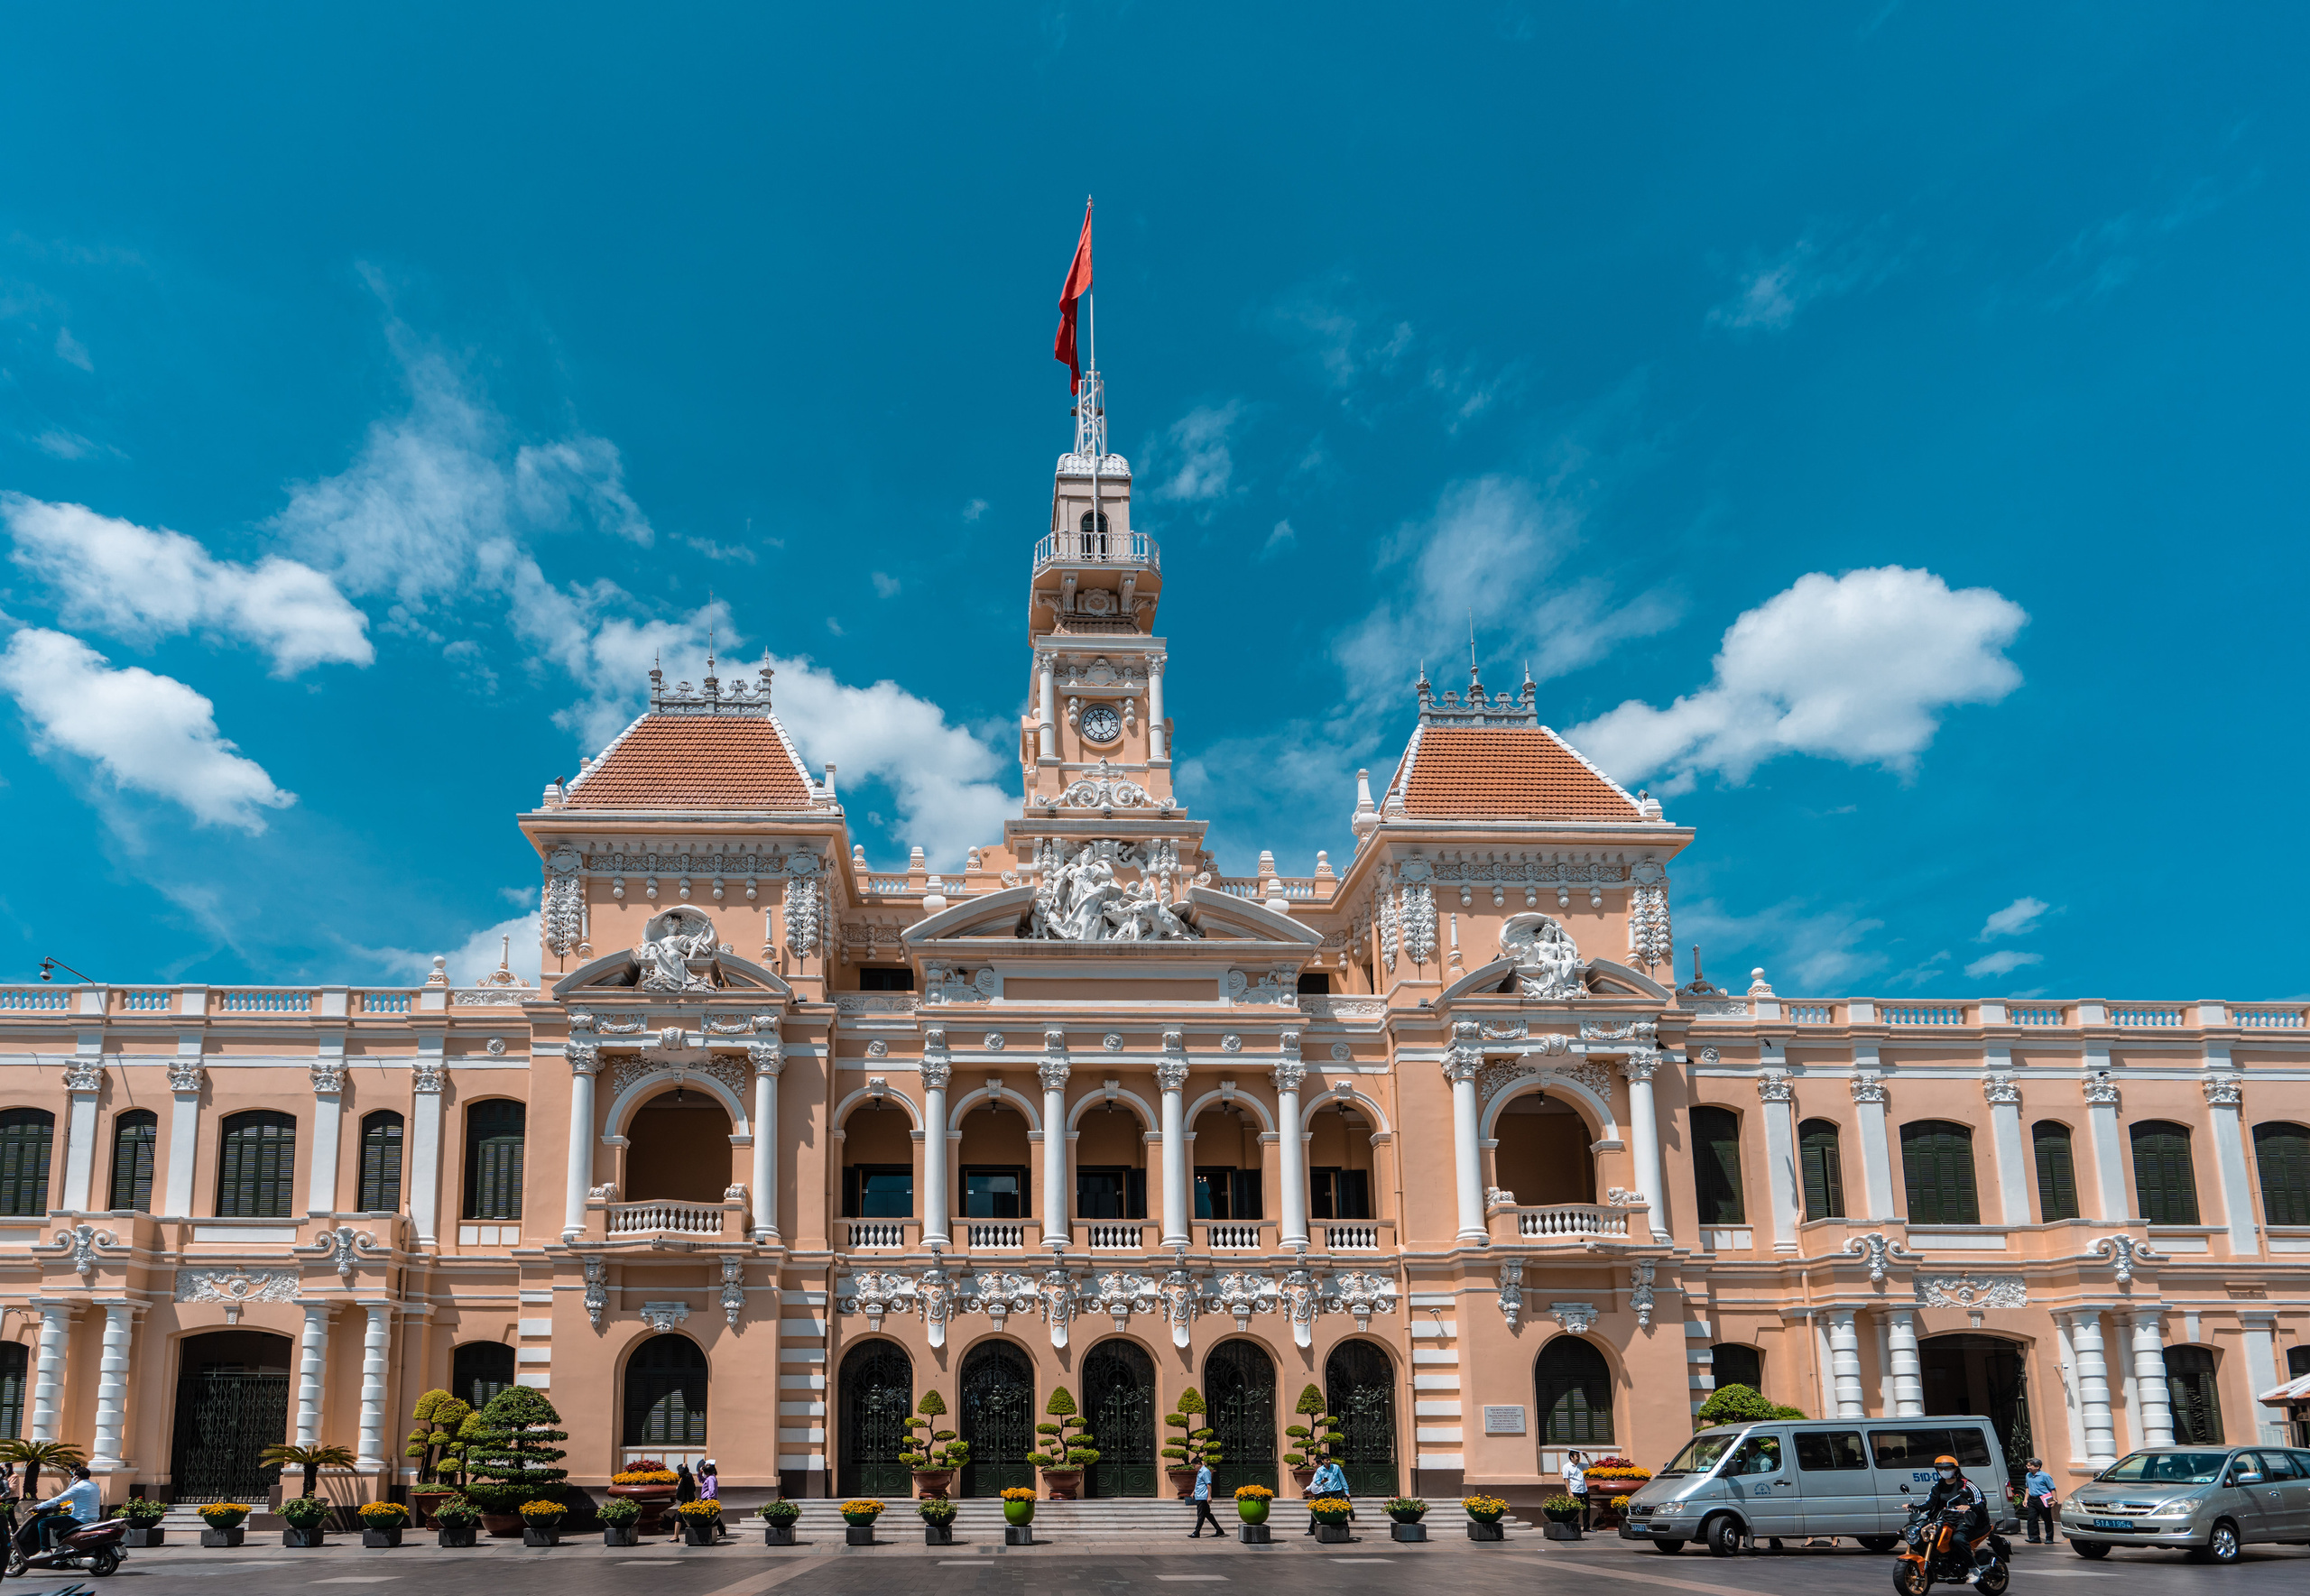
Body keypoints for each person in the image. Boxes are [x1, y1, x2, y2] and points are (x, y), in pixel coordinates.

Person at [21, 1464, 98, 1559]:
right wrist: (67, 1507)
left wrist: (37, 1506)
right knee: (61, 1533)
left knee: (43, 1523)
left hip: (79, 1518)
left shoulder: (78, 1487)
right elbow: (86, 1501)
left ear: (77, 1477)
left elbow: (58, 1499)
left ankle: (45, 1550)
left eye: (73, 1476)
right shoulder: (94, 1486)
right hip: (92, 1518)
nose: (72, 1478)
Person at [1922, 1453, 1990, 1552]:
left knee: (1958, 1539)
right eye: (1940, 1469)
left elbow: (1981, 1501)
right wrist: (1914, 1507)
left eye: (1948, 1468)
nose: (1944, 1471)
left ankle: (1971, 1566)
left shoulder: (1966, 1484)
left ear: (1955, 1469)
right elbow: (1929, 1503)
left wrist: (1969, 1507)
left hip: (1964, 1520)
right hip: (1945, 1519)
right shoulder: (1938, 1486)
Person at [1304, 1458, 1350, 1533]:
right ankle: (1314, 1529)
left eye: (1315, 1463)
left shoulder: (1334, 1468)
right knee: (1319, 1511)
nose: (1314, 1465)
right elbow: (1315, 1483)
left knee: (1338, 1511)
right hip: (1322, 1493)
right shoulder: (1319, 1471)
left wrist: (1346, 1491)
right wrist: (1308, 1489)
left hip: (1326, 1493)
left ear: (1320, 1464)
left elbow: (1342, 1479)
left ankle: (1342, 1530)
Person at [2021, 1458, 2058, 1545]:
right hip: (2032, 1499)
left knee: (2047, 1518)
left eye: (2030, 1465)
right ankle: (2034, 1537)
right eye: (2027, 1465)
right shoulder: (2028, 1475)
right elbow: (2027, 1487)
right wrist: (2025, 1499)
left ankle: (2049, 1538)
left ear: (2037, 1467)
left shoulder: (2045, 1476)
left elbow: (2052, 1489)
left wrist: (2054, 1500)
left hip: (2043, 1499)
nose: (2028, 1467)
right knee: (2032, 1518)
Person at [1187, 1460, 1220, 1538]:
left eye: (1194, 1465)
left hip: (1202, 1496)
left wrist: (1209, 1496)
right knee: (1207, 1514)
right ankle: (1219, 1530)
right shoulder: (1200, 1471)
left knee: (1201, 1515)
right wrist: (1193, 1492)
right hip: (1199, 1495)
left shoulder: (1205, 1471)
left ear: (1199, 1464)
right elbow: (1198, 1483)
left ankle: (1196, 1532)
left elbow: (1208, 1484)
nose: (1194, 1467)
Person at [1562, 1450, 1591, 1531]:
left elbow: (1592, 1465)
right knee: (1575, 1510)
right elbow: (1566, 1479)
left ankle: (1586, 1527)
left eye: (1579, 1456)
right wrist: (1569, 1492)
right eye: (1577, 1456)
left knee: (1586, 1509)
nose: (1578, 1458)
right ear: (1571, 1457)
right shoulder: (1566, 1466)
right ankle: (1575, 1527)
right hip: (1574, 1491)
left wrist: (1587, 1456)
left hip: (1583, 1490)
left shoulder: (1580, 1465)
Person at [698, 1459, 723, 1539]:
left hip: (709, 1499)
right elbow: (702, 1480)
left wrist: (710, 1499)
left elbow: (712, 1490)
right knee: (714, 1516)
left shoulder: (711, 1478)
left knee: (711, 1516)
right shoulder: (709, 1478)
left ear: (707, 1472)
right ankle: (722, 1530)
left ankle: (719, 1530)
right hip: (708, 1499)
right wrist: (699, 1473)